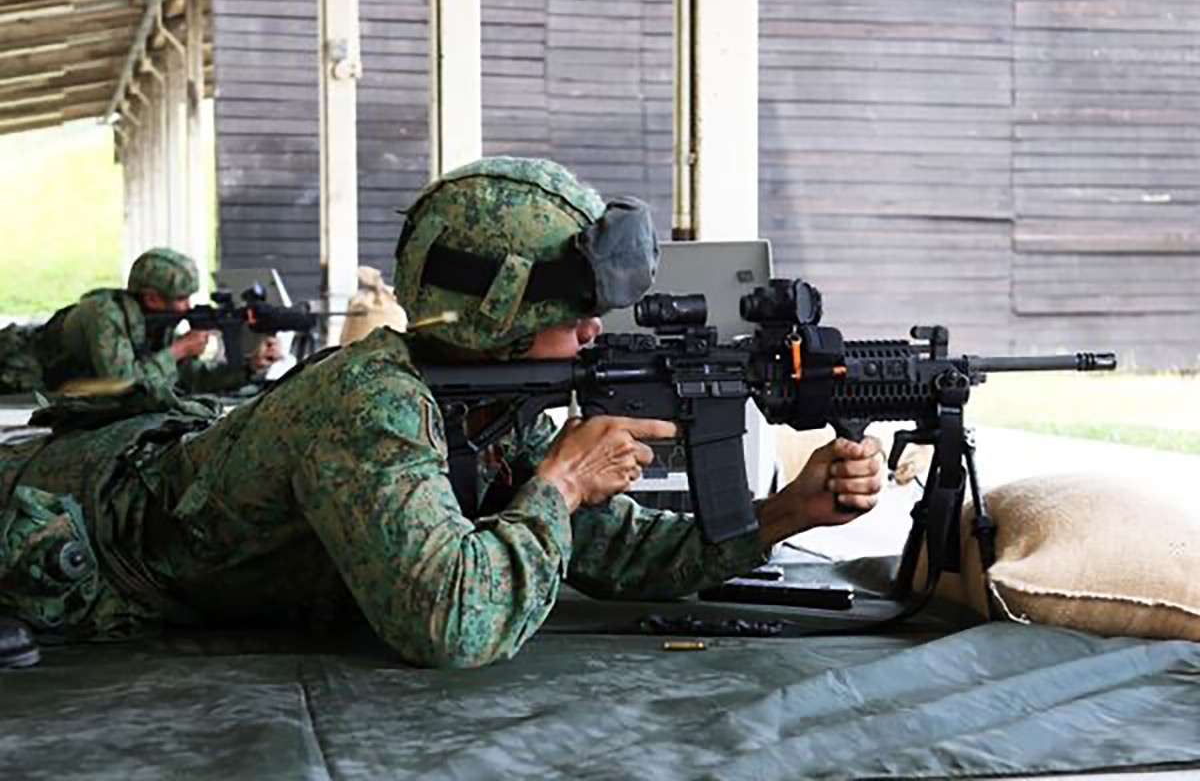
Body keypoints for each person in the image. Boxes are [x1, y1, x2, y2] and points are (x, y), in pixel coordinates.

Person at [0, 158, 884, 669]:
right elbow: (451, 621)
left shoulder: (494, 395)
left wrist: (785, 513)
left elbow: (617, 551)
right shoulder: (370, 405)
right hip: (78, 524)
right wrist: (559, 488)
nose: (590, 328)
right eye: (569, 308)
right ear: (497, 314)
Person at [0, 247, 281, 397]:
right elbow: (122, 383)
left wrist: (248, 368)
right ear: (154, 299)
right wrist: (179, 349)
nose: (188, 306)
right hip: (19, 370)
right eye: (181, 298)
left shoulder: (157, 320)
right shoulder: (104, 315)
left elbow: (188, 378)